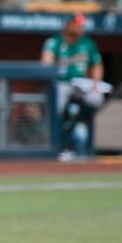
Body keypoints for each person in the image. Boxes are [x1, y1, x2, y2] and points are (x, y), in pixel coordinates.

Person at [41, 13, 104, 159]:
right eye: (78, 24)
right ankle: (58, 144)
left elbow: (97, 65)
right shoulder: (55, 41)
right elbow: (45, 63)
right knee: (57, 106)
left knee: (96, 98)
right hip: (60, 84)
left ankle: (79, 125)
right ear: (69, 25)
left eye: (82, 25)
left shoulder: (87, 43)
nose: (81, 27)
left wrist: (95, 84)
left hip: (81, 84)